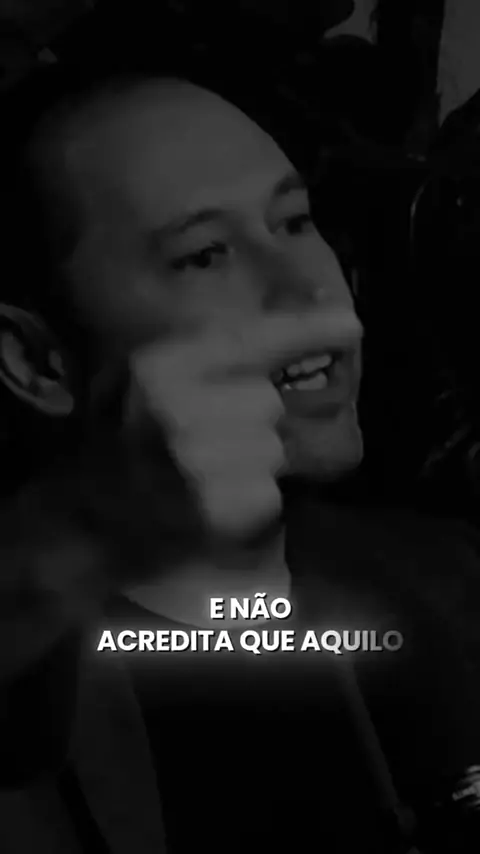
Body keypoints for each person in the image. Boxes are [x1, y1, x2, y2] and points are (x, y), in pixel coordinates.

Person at [1, 60, 480, 854]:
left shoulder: (449, 578)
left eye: (294, 222)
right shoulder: (37, 673)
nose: (310, 289)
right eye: (205, 254)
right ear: (34, 360)